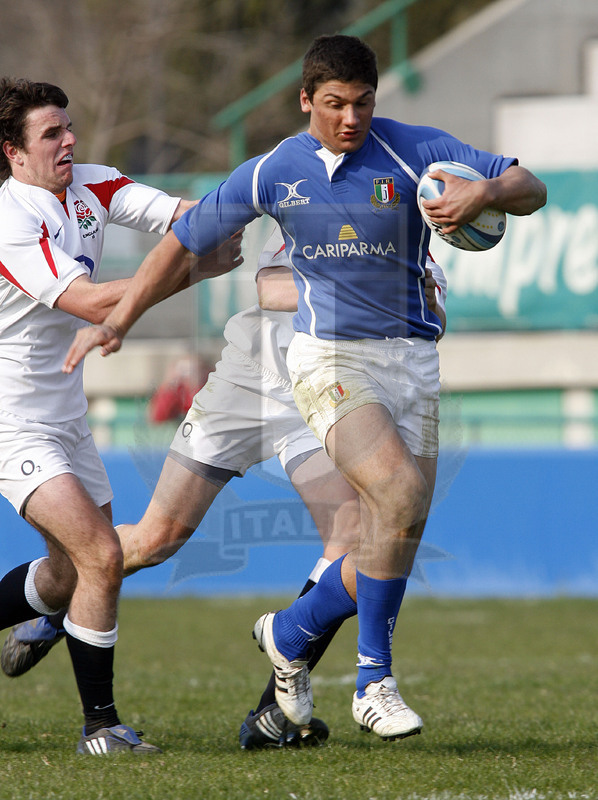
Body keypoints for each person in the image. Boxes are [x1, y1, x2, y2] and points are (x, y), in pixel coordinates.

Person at [61, 33, 546, 741]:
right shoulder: (272, 172)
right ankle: (372, 681)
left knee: (395, 536)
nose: (351, 118)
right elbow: (186, 240)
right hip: (329, 360)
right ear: (305, 101)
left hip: (413, 360)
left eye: (363, 103)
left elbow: (527, 184)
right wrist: (124, 315)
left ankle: (290, 632)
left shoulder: (414, 149)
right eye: (335, 104)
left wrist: (488, 189)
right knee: (398, 496)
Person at [3, 225, 447, 750]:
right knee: (155, 539)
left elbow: (433, 319)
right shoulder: (317, 197)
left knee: (350, 536)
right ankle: (61, 599)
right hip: (252, 380)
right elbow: (273, 289)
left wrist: (401, 299)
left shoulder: (415, 246)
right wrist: (375, 294)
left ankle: (272, 714)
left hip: (324, 390)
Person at [0, 77, 242, 755]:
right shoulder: (9, 219)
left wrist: (261, 203)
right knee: (103, 555)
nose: (69, 140)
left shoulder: (94, 187)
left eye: (69, 127)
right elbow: (91, 303)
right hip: (11, 421)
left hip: (65, 417)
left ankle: (47, 622)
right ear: (14, 154)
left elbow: (186, 218)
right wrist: (195, 273)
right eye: (52, 134)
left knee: (69, 572)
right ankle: (100, 727)